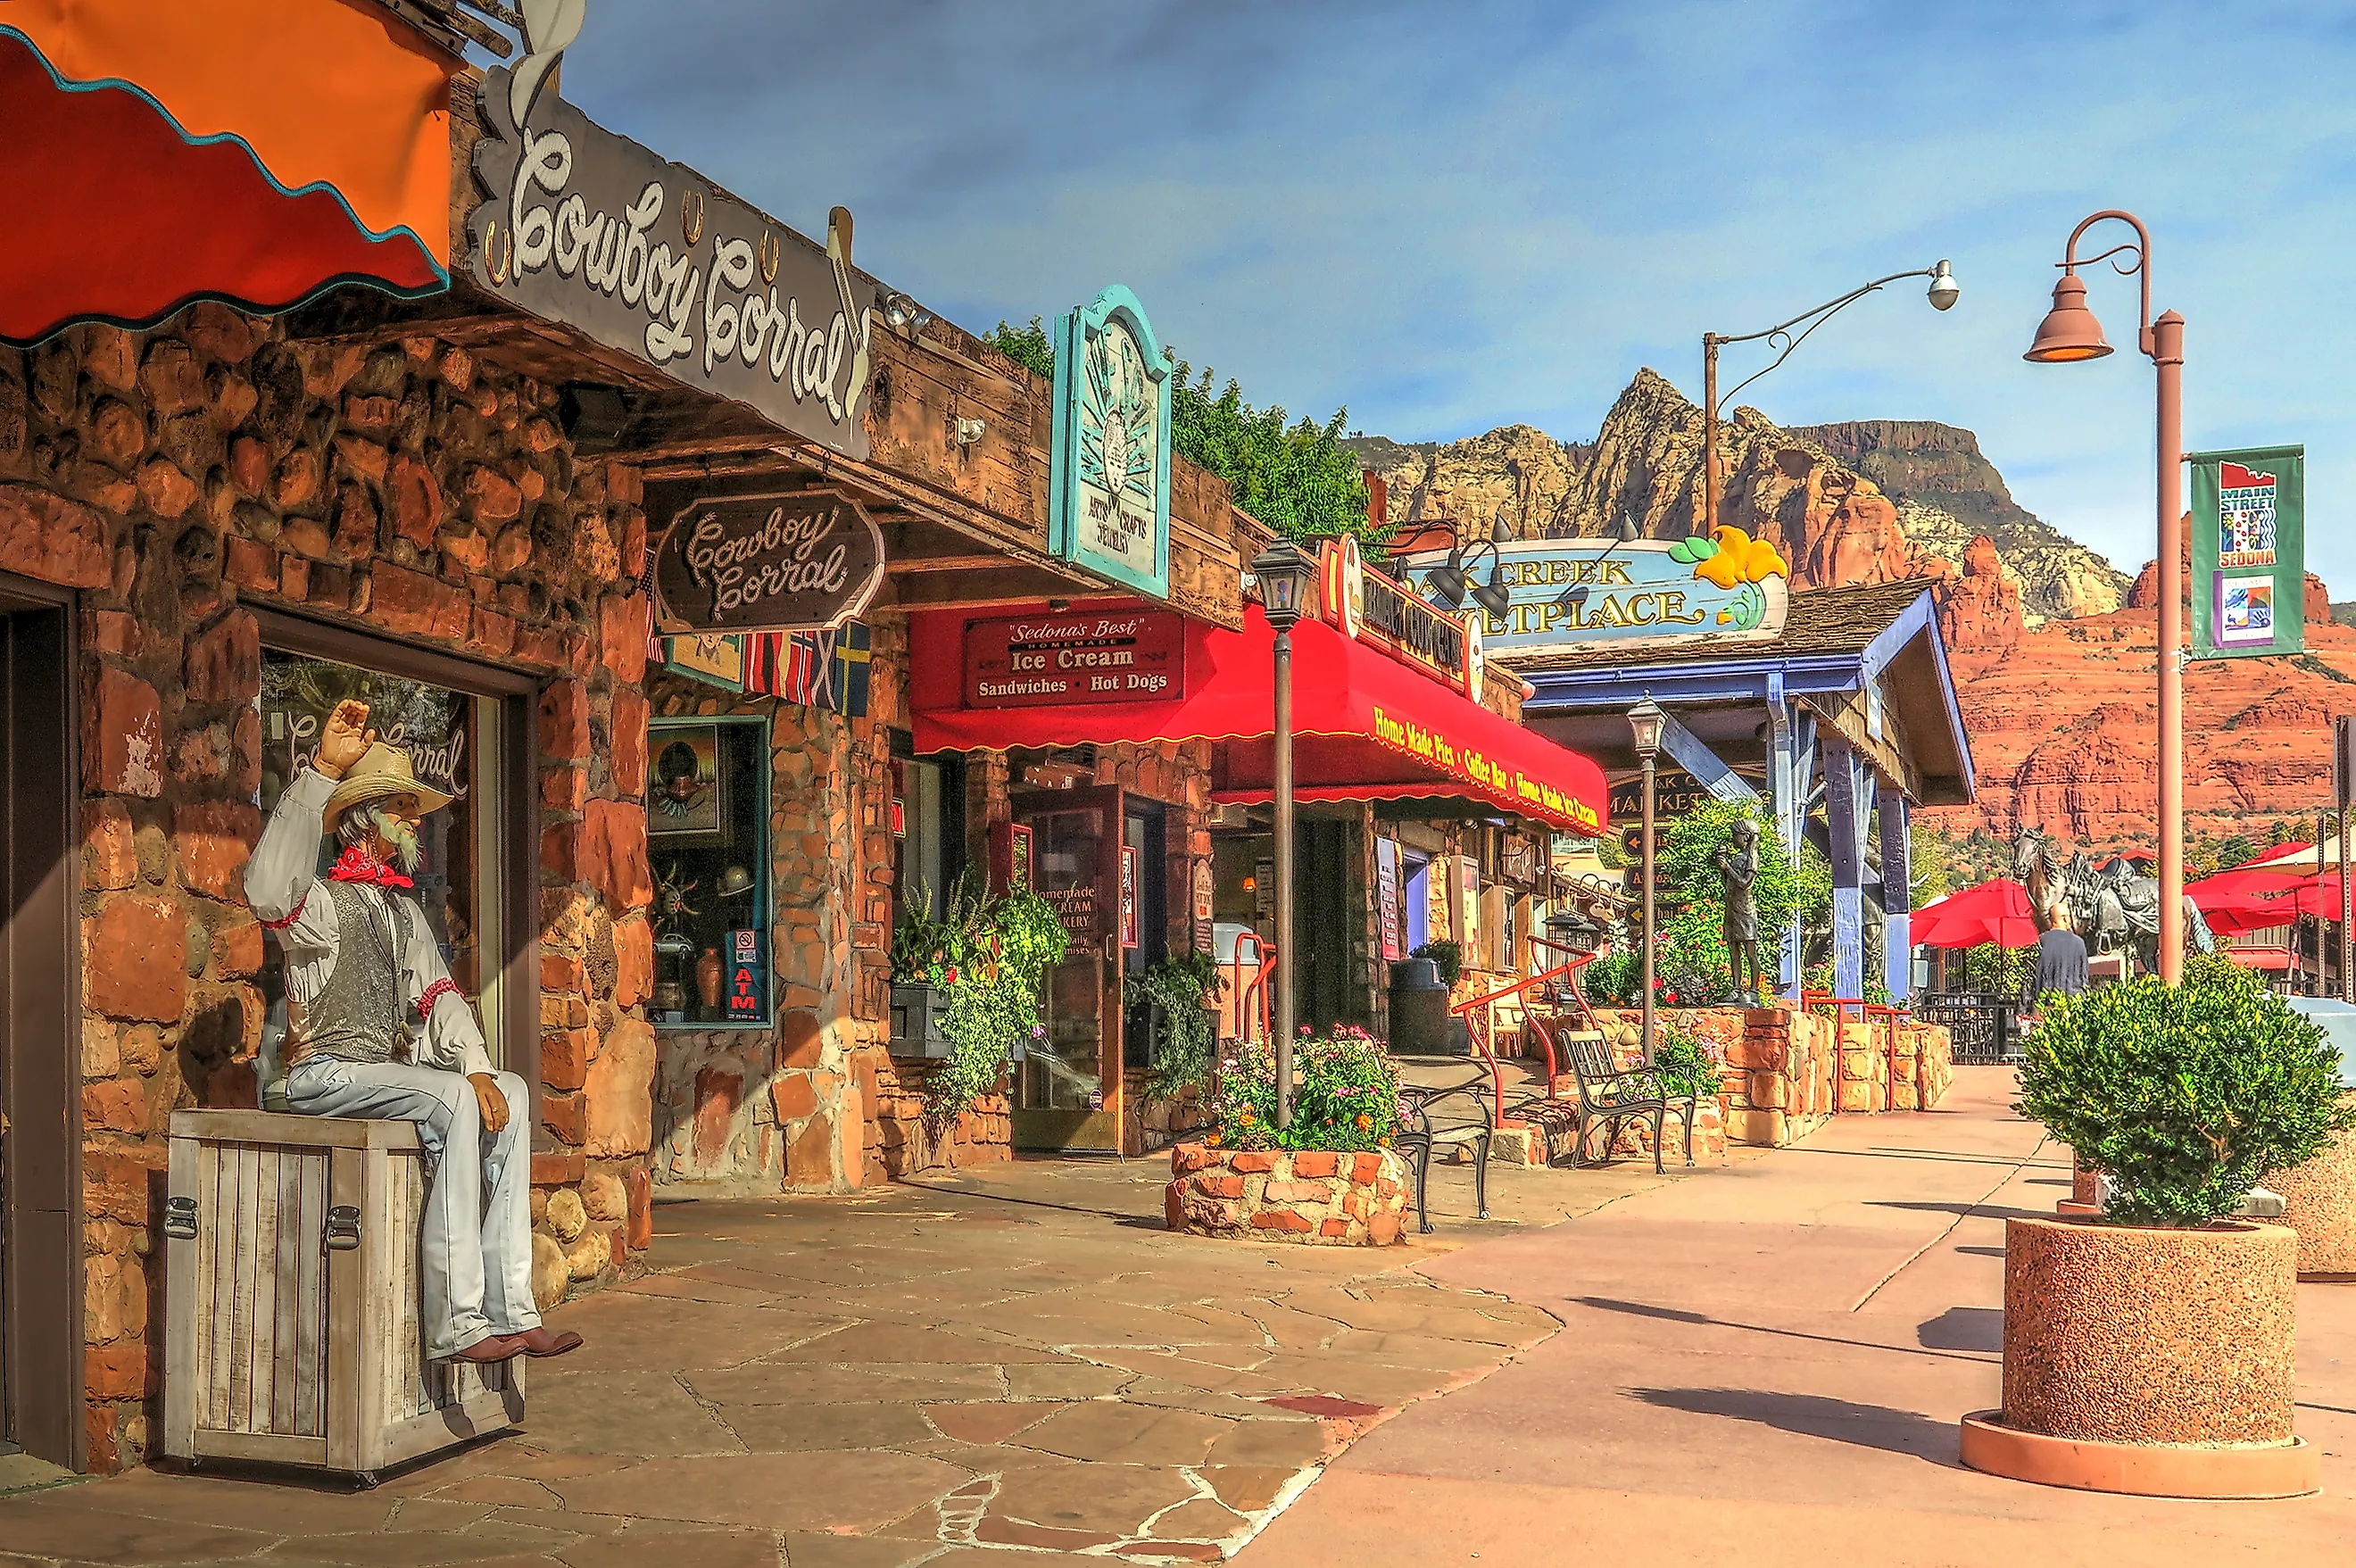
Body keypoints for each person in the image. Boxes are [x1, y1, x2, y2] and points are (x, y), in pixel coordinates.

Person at [245, 698, 581, 1365]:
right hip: (322, 1073)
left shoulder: (402, 910)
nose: (413, 819)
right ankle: (457, 1322)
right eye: (400, 807)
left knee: (510, 1091)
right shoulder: (321, 903)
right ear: (365, 818)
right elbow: (268, 890)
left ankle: (512, 1308)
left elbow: (440, 996)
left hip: (374, 1073)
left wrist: (479, 1066)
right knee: (450, 1099)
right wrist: (321, 773)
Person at [1715, 818, 1764, 1003]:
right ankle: (1736, 988)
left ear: (1745, 837)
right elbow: (1729, 883)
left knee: (1750, 951)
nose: (1733, 839)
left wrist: (1727, 867)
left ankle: (1754, 989)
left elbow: (1744, 883)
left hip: (1745, 910)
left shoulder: (1752, 857)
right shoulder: (1738, 857)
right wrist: (1723, 869)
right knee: (1733, 950)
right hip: (1732, 907)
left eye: (1735, 835)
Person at [2023, 899, 2090, 1011]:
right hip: (2072, 1005)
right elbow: (2083, 978)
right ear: (2065, 918)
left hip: (2045, 1006)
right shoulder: (2079, 943)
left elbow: (2031, 977)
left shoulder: (2039, 942)